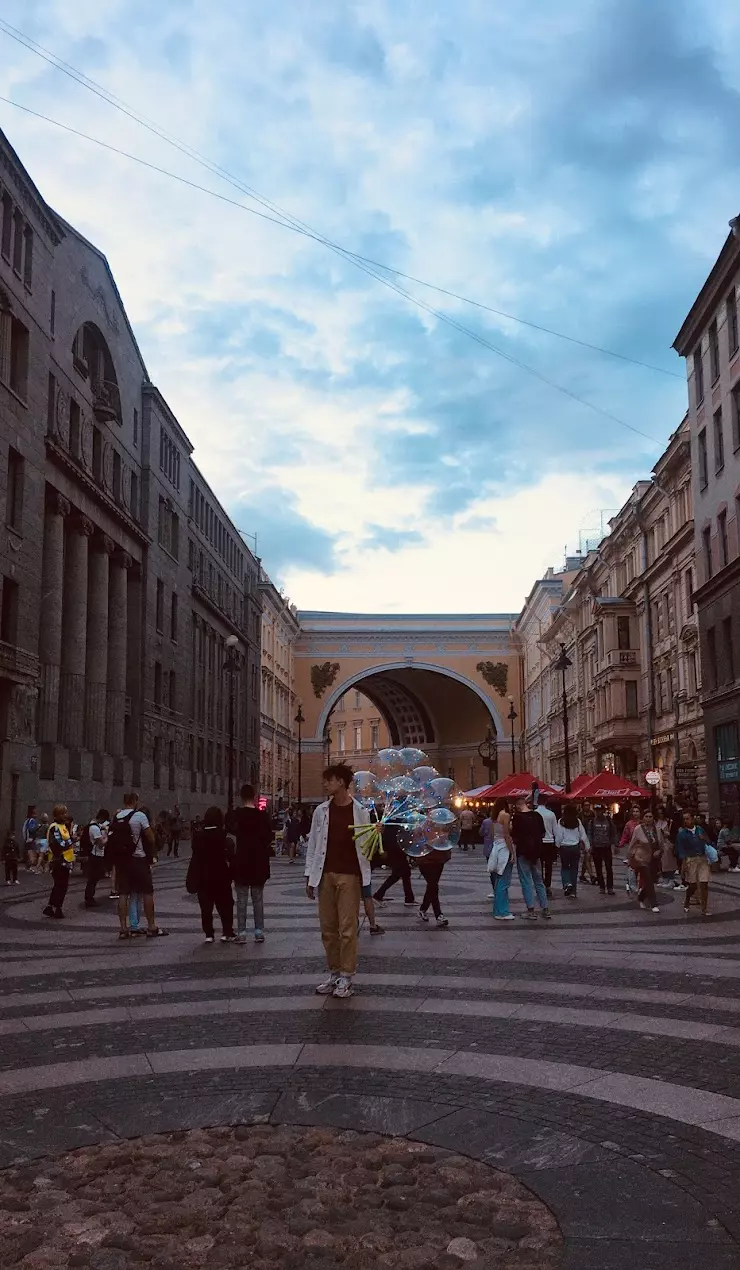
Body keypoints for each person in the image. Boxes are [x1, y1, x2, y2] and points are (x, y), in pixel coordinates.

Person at [305, 763, 373, 998]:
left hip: (350, 876)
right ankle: (334, 973)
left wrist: (376, 835)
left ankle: (346, 976)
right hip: (325, 874)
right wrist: (309, 876)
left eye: (329, 780)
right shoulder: (321, 811)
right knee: (328, 928)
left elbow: (367, 849)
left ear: (341, 782)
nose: (325, 784)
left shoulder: (361, 812)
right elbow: (313, 844)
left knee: (347, 928)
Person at [109, 792, 168, 938]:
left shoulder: (117, 817)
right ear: (135, 801)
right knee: (147, 892)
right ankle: (151, 926)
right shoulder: (139, 816)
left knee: (123, 893)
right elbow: (149, 836)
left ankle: (123, 929)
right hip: (138, 859)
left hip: (123, 861)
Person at [229, 783, 273, 943]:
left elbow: (231, 834)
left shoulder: (235, 815)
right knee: (257, 898)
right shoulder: (262, 816)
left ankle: (241, 932)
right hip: (258, 862)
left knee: (241, 899)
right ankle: (259, 931)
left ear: (241, 796)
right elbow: (269, 837)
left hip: (241, 861)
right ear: (255, 796)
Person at [187, 806, 236, 943]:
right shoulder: (223, 836)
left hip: (203, 876)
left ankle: (209, 933)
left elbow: (196, 855)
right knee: (225, 904)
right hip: (221, 876)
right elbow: (230, 856)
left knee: (206, 907)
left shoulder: (198, 837)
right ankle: (227, 932)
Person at [511, 796, 550, 920]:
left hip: (523, 852)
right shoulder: (537, 816)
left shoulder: (517, 818)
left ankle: (531, 910)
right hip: (537, 853)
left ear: (518, 805)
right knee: (539, 881)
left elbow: (514, 835)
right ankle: (545, 909)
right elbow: (543, 832)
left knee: (526, 881)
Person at [675, 811, 712, 917]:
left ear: (692, 819)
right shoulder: (682, 834)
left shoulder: (700, 830)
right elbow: (680, 849)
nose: (686, 821)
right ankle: (687, 899)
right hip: (690, 859)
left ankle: (704, 908)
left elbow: (709, 841)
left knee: (704, 883)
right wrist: (683, 863)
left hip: (702, 858)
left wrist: (704, 839)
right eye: (684, 819)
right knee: (693, 884)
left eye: (688, 818)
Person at [628, 809, 663, 913]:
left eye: (650, 817)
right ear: (643, 818)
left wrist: (660, 851)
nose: (648, 819)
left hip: (653, 859)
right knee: (648, 879)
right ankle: (654, 904)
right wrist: (631, 858)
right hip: (641, 858)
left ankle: (641, 897)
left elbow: (661, 844)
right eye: (646, 816)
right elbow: (632, 844)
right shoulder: (638, 829)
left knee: (651, 880)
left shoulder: (657, 829)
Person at [42, 805, 75, 918]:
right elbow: (59, 843)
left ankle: (51, 907)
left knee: (59, 885)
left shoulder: (63, 826)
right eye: (64, 813)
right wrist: (71, 841)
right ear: (58, 815)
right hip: (59, 860)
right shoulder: (55, 827)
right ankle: (57, 908)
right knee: (61, 885)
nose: (66, 815)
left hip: (64, 860)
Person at [374, 823, 416, 906]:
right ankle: (378, 895)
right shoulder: (392, 821)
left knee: (406, 873)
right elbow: (389, 835)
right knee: (397, 874)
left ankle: (409, 898)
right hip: (396, 849)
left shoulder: (396, 820)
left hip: (398, 848)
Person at [487, 799, 515, 919]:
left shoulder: (493, 819)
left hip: (496, 847)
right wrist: (512, 852)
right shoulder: (506, 815)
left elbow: (492, 835)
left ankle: (498, 910)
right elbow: (507, 835)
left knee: (498, 880)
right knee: (504, 880)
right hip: (504, 848)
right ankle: (502, 912)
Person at [555, 803, 589, 898]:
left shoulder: (561, 821)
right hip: (575, 848)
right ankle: (573, 891)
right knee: (574, 869)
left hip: (564, 848)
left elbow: (559, 836)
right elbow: (583, 835)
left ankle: (567, 883)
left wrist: (557, 846)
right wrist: (587, 847)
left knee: (565, 867)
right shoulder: (577, 822)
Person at [587, 806, 617, 895]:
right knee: (598, 868)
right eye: (596, 810)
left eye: (599, 810)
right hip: (596, 847)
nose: (598, 812)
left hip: (606, 847)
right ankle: (602, 886)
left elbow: (613, 833)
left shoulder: (608, 821)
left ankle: (610, 887)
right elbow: (590, 834)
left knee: (609, 868)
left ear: (603, 811)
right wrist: (590, 845)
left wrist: (615, 845)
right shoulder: (592, 822)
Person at [83, 809, 110, 907]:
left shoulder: (95, 826)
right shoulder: (94, 828)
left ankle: (90, 897)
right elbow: (101, 844)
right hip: (95, 855)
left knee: (94, 877)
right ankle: (89, 898)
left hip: (96, 855)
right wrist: (108, 836)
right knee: (93, 878)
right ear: (102, 817)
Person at [535, 798, 558, 897]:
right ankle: (547, 885)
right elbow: (555, 830)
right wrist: (557, 844)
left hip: (538, 842)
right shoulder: (551, 814)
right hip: (549, 841)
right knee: (549, 865)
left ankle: (540, 884)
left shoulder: (534, 813)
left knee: (538, 865)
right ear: (545, 802)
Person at [22, 806, 39, 872]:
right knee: (31, 853)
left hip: (27, 839)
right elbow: (31, 829)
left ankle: (28, 867)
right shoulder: (32, 821)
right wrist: (37, 828)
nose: (36, 815)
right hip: (31, 839)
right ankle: (30, 867)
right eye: (35, 813)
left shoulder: (27, 821)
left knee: (28, 853)